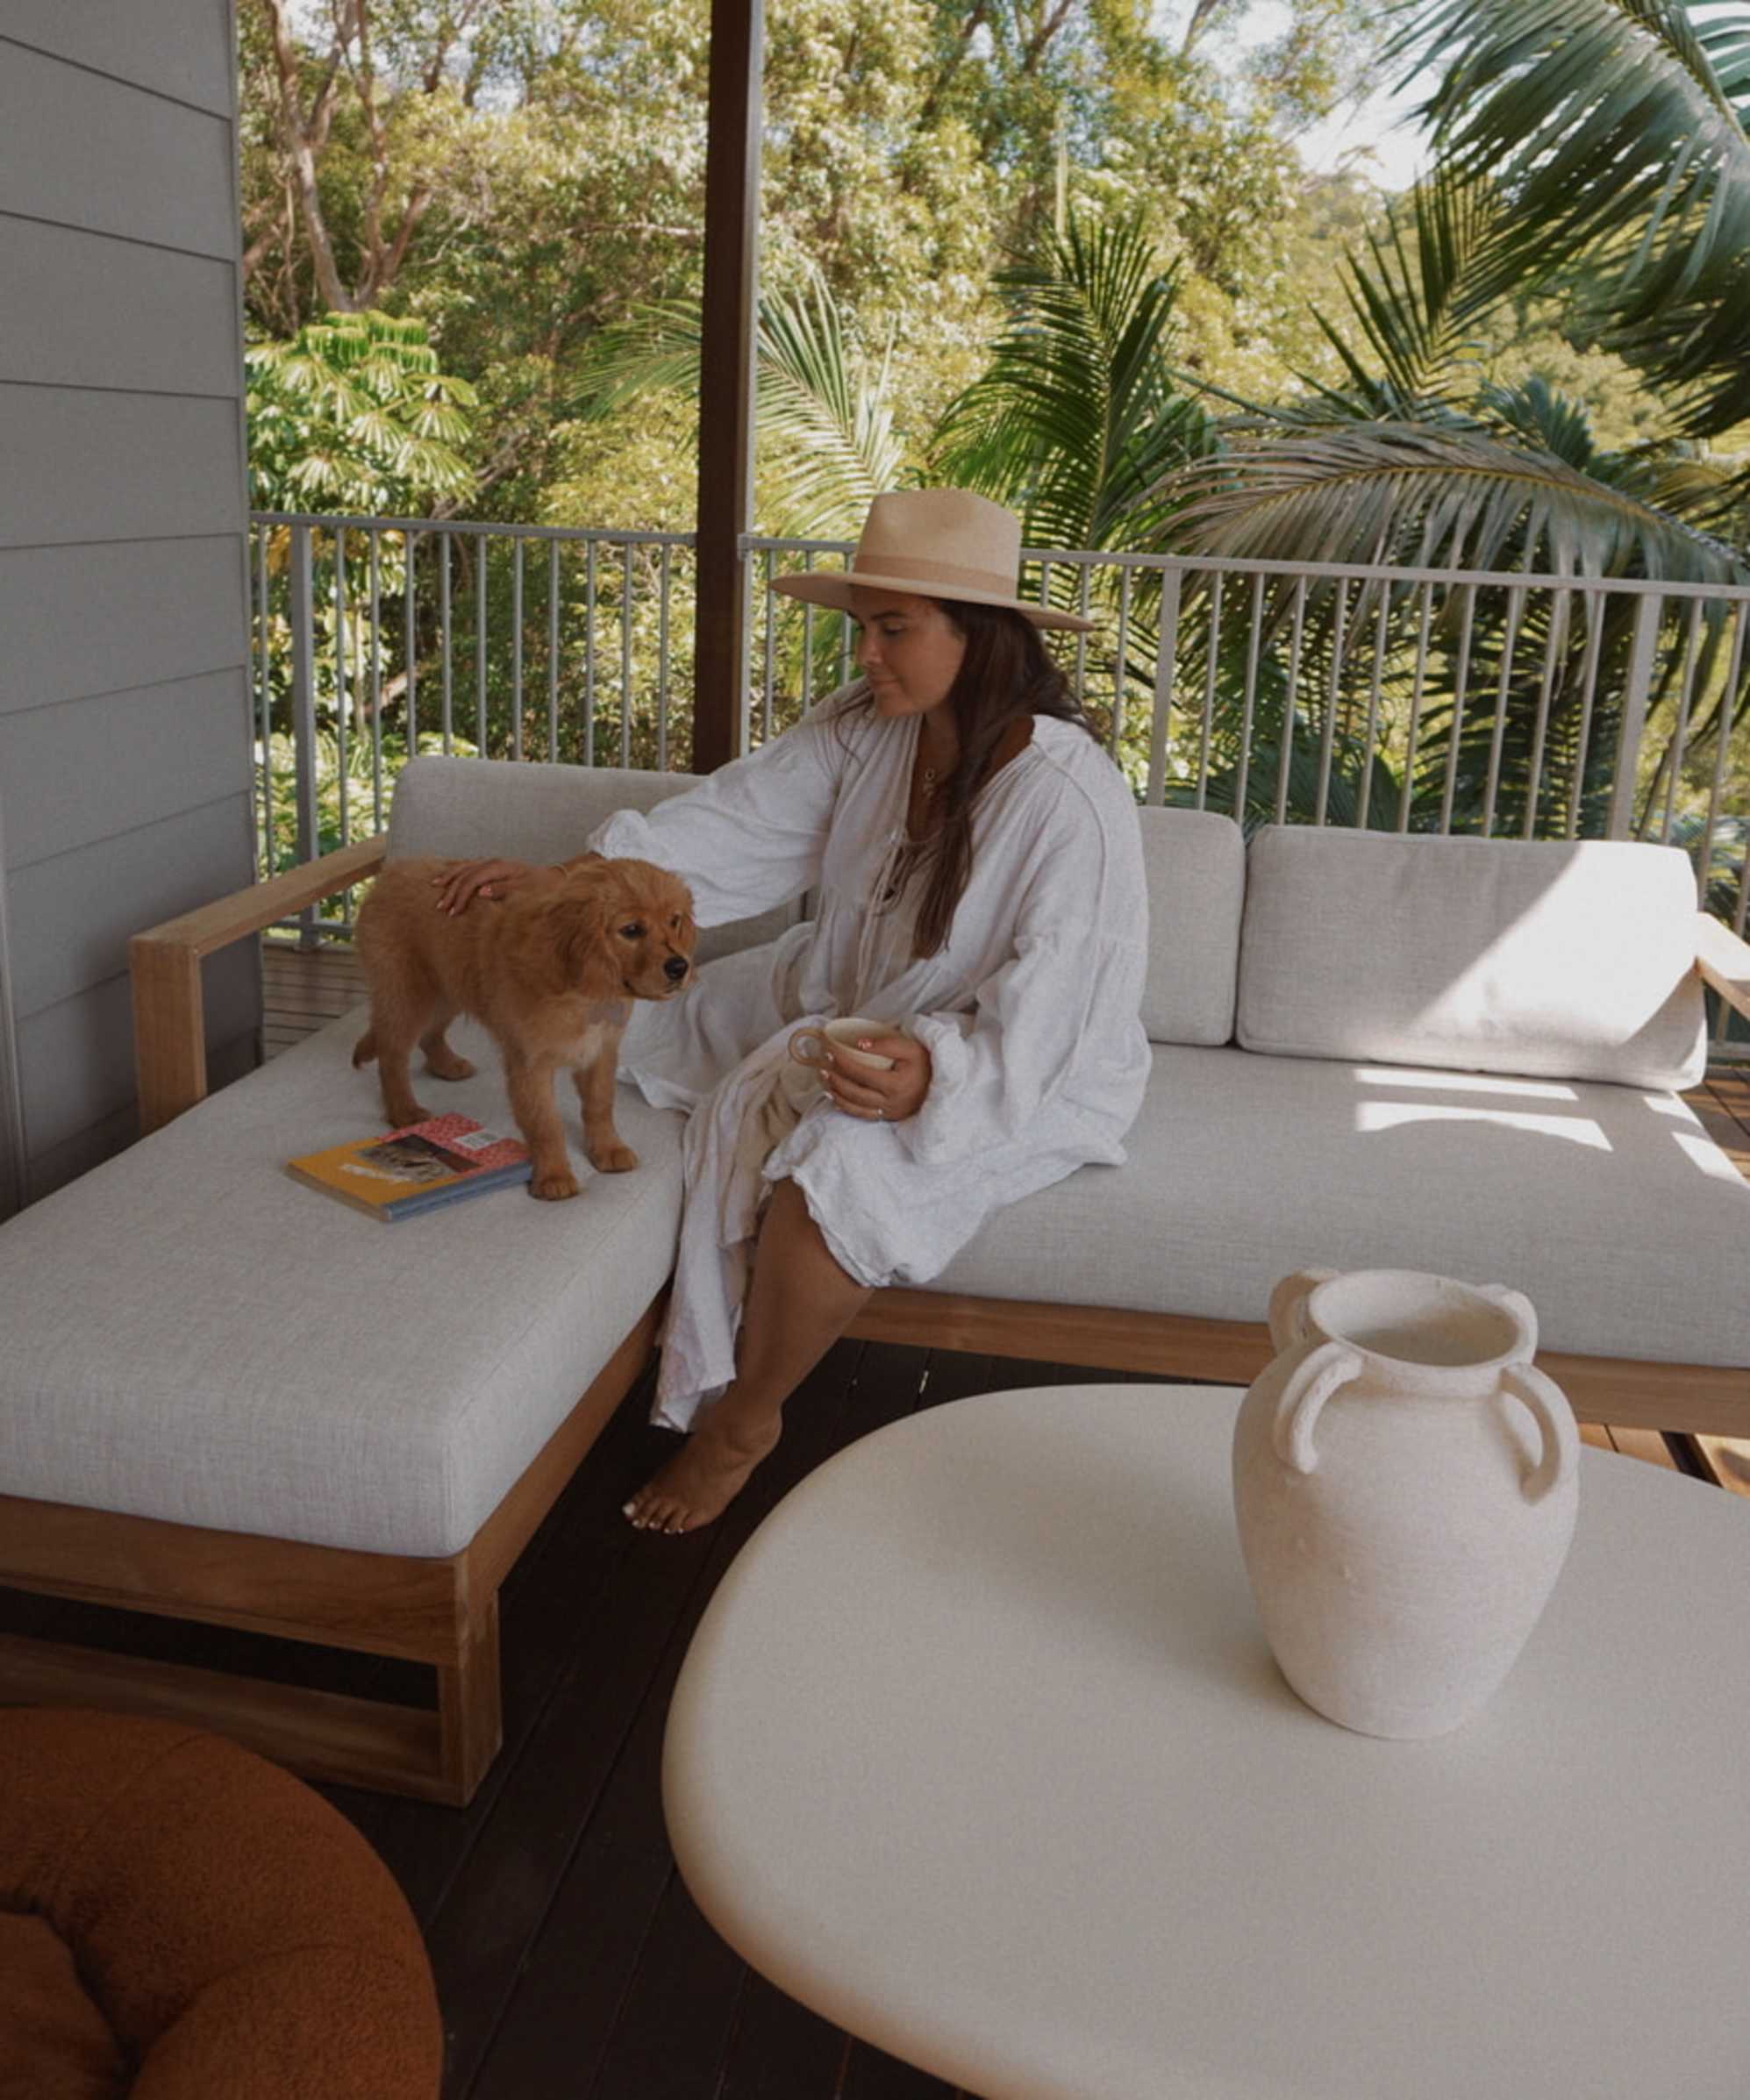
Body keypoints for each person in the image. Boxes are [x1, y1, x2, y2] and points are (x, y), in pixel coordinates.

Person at [434, 488, 1151, 1532]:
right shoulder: (866, 733)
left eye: (893, 629)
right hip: (837, 1001)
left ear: (978, 635)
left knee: (839, 1168)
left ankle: (744, 1423)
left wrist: (935, 1075)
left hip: (1017, 1061)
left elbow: (1067, 998)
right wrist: (561, 887)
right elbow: (728, 825)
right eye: (862, 627)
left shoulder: (1067, 797)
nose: (866, 652)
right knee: (629, 1027)